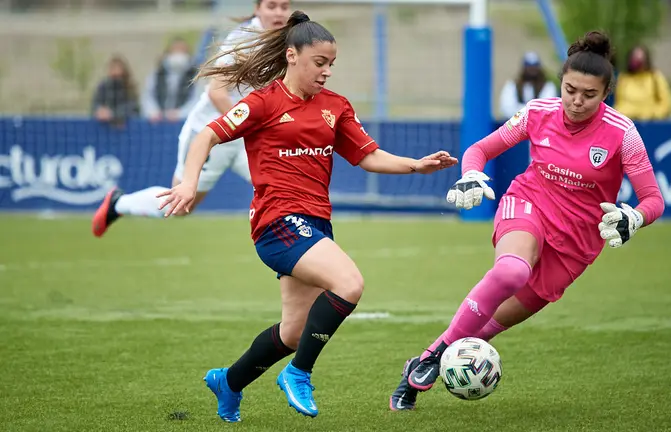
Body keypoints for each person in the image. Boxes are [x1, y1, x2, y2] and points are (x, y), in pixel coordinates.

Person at [157, 11, 458, 421]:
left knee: (293, 332)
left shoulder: (336, 107)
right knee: (349, 283)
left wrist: (415, 165)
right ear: (292, 55)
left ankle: (228, 382)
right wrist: (189, 184)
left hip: (315, 222)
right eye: (320, 63)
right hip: (276, 221)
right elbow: (208, 134)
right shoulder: (263, 102)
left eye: (332, 64)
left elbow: (367, 155)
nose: (327, 71)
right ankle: (298, 372)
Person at [389, 31, 665, 411]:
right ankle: (430, 363)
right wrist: (471, 173)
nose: (577, 101)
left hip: (576, 245)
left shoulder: (622, 134)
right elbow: (481, 148)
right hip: (529, 203)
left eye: (589, 94)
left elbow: (654, 199)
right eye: (570, 90)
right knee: (511, 272)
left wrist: (635, 216)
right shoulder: (538, 111)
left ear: (606, 94)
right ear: (561, 82)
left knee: (489, 325)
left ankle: (418, 364)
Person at [91, 0, 291, 237]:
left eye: (284, 6)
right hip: (211, 133)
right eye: (272, 6)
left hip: (247, 136)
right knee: (181, 204)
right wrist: (253, 125)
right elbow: (217, 92)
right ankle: (119, 204)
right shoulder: (243, 40)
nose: (279, 12)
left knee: (285, 187)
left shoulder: (288, 39)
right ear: (257, 8)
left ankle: (294, 252)